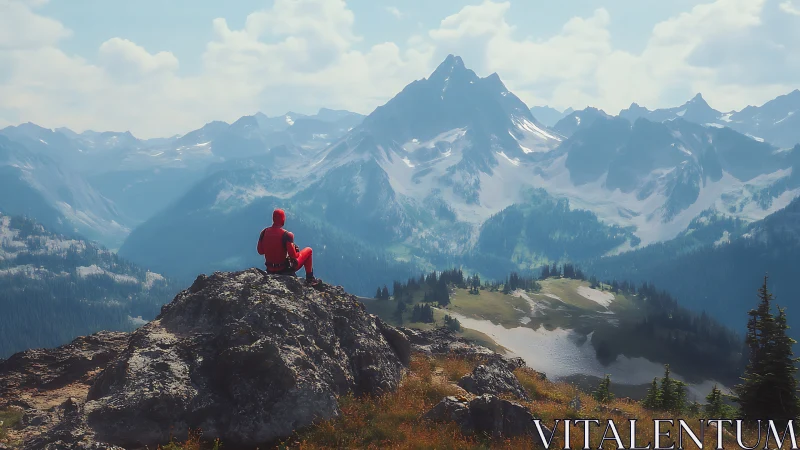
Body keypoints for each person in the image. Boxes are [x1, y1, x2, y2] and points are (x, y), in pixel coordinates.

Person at [257, 208, 320, 286]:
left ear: (273, 219)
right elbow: (293, 256)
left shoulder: (263, 232)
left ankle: (310, 279)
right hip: (283, 270)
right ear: (283, 219)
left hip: (269, 269)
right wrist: (294, 249)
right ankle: (310, 279)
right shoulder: (287, 235)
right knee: (309, 250)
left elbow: (260, 251)